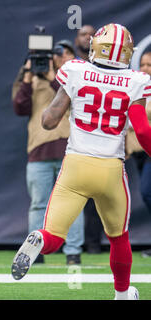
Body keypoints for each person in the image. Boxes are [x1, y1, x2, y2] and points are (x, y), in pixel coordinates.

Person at [11, 23, 151, 300]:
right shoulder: (137, 80)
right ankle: (122, 295)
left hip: (76, 164)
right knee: (118, 237)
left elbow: (49, 122)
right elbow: (143, 130)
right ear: (126, 52)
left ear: (96, 46)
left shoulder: (75, 70)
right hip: (111, 168)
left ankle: (39, 240)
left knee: (53, 234)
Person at [12, 39, 84, 265]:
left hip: (70, 149)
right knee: (38, 203)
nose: (62, 58)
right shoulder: (30, 78)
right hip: (38, 149)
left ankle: (73, 252)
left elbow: (74, 102)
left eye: (66, 54)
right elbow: (19, 108)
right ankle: (35, 253)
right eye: (59, 54)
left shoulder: (73, 78)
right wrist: (27, 76)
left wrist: (54, 77)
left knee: (74, 203)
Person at [73, 25, 106, 255]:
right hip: (77, 140)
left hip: (103, 139)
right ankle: (65, 246)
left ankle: (93, 244)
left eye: (90, 35)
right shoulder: (72, 68)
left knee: (98, 201)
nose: (87, 38)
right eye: (82, 34)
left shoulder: (108, 68)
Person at [124, 51, 151, 258]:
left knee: (146, 192)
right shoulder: (137, 88)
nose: (145, 68)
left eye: (149, 65)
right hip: (138, 152)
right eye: (142, 64)